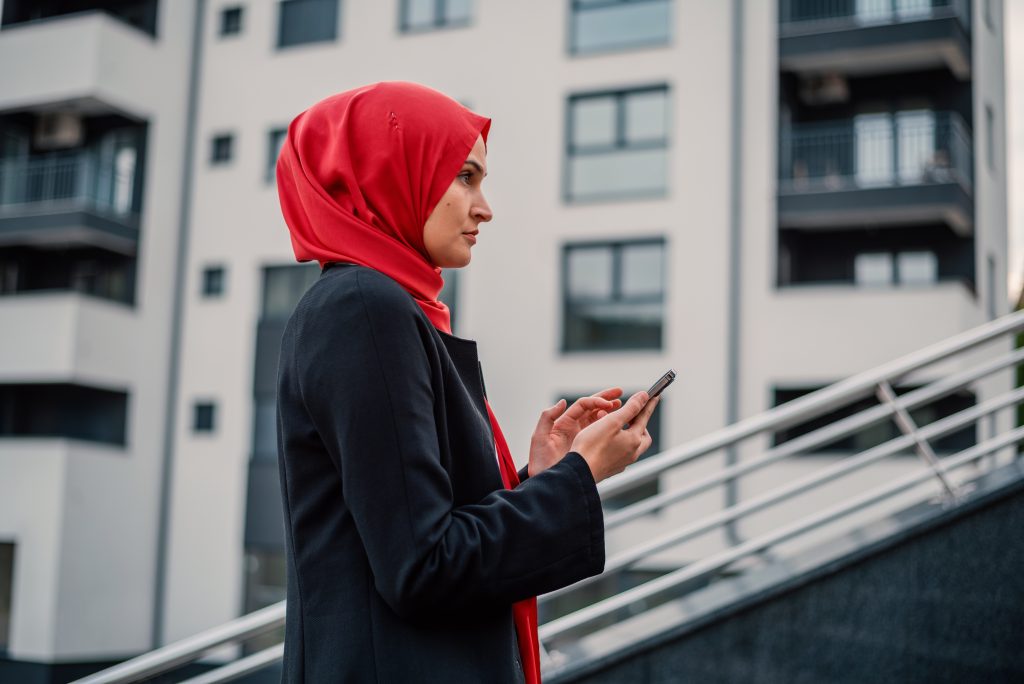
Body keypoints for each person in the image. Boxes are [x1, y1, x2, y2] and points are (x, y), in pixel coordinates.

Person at [274, 81, 660, 683]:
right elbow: (425, 567)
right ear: (392, 171)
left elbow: (418, 525)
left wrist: (546, 476)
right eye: (465, 177)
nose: (485, 207)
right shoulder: (363, 308)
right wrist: (579, 478)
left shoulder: (377, 308)